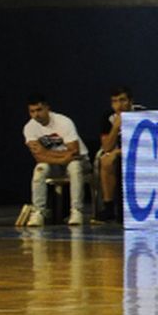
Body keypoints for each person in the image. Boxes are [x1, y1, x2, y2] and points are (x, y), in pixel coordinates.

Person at [24, 94, 88, 227]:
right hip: (58, 163)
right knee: (40, 169)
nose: (36, 115)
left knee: (74, 166)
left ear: (47, 108)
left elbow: (74, 151)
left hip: (79, 161)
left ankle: (76, 211)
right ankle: (39, 212)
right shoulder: (29, 128)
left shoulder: (63, 122)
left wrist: (47, 153)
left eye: (39, 110)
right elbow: (38, 157)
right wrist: (61, 159)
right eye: (32, 111)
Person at [96, 85, 136, 222]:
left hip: (139, 153)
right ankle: (109, 207)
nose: (119, 105)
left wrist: (118, 152)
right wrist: (116, 126)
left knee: (112, 156)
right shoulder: (108, 118)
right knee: (105, 160)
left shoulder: (141, 113)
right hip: (118, 153)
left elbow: (144, 143)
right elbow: (106, 146)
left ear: (131, 101)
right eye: (114, 101)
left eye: (122, 100)